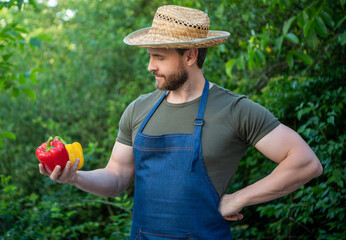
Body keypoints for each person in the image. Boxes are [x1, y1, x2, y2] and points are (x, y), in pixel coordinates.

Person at [39, 5, 323, 239]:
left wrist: (238, 198)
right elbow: (116, 179)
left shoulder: (235, 109)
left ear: (190, 55)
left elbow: (305, 162)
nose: (151, 66)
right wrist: (76, 177)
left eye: (159, 57)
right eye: (150, 56)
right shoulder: (139, 109)